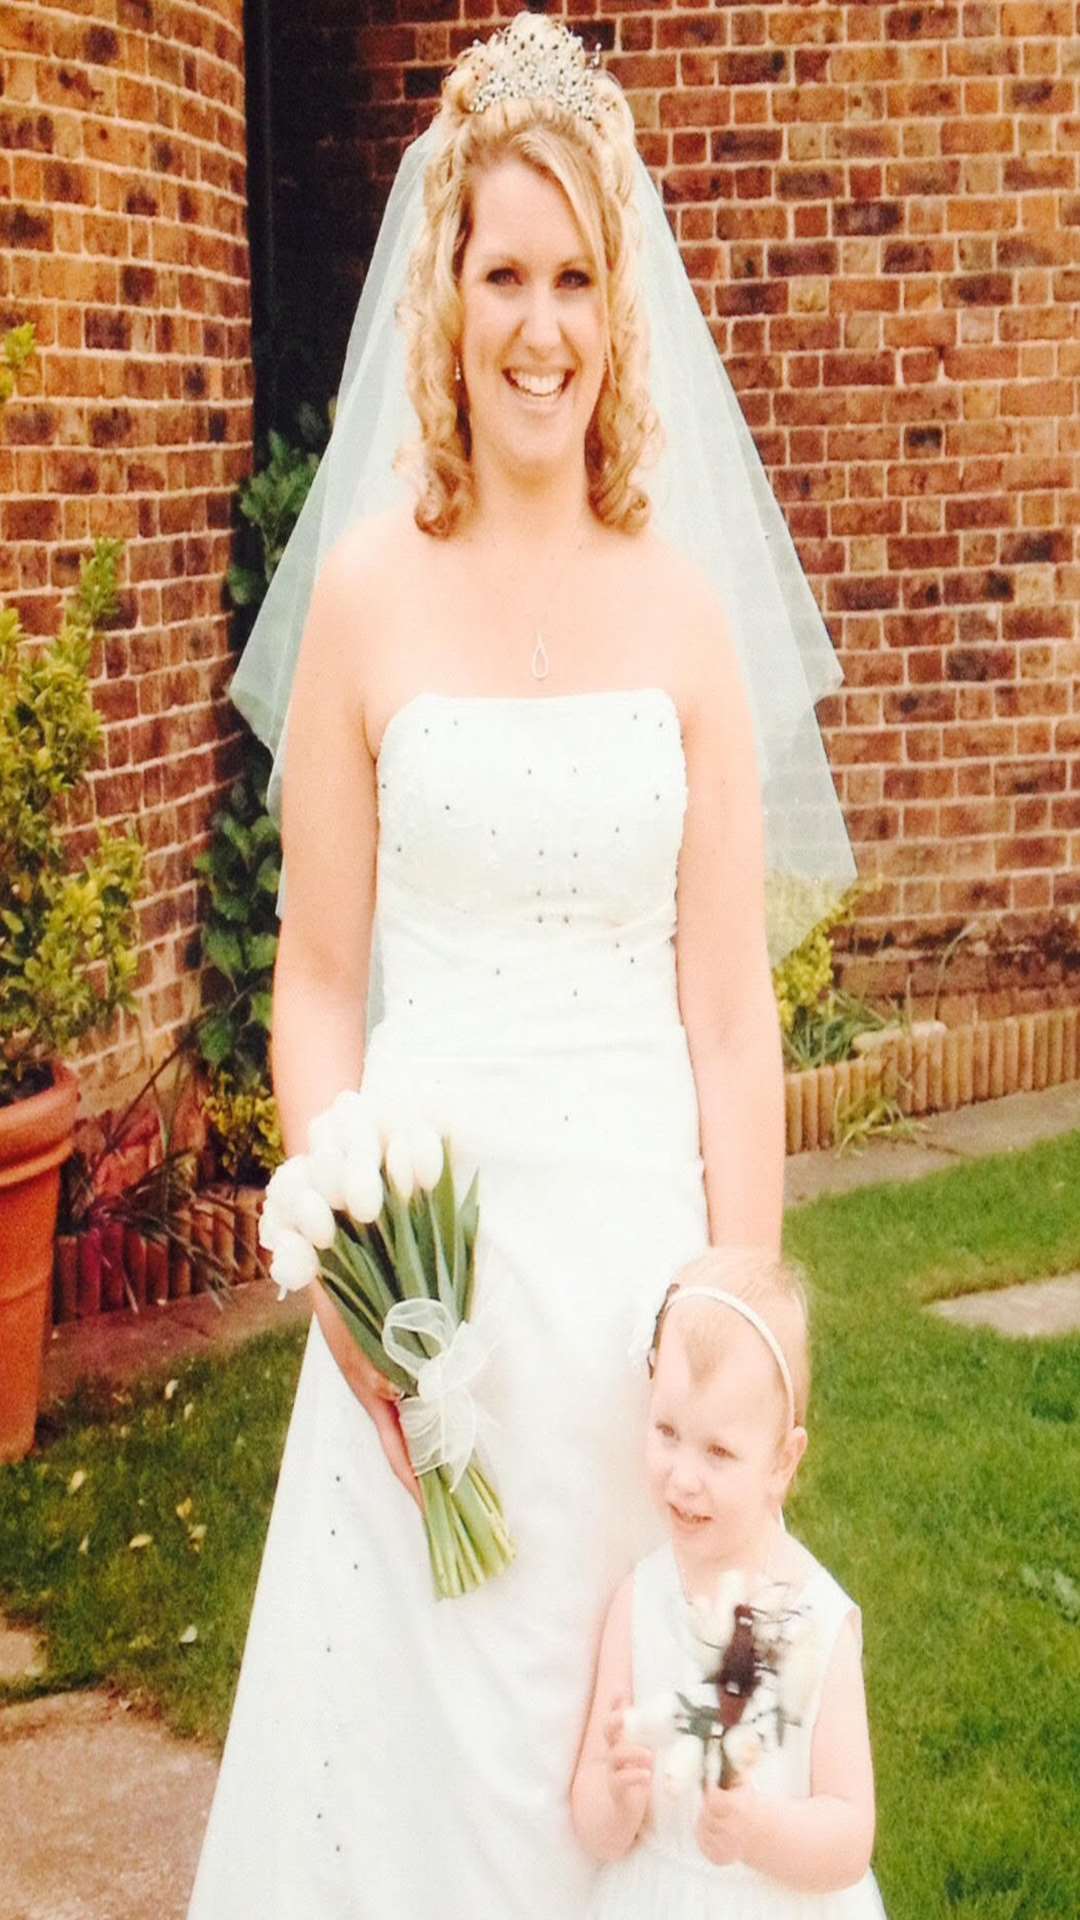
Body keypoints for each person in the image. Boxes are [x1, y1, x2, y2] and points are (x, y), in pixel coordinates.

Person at [187, 15, 855, 1917]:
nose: (538, 324)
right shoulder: (375, 598)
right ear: (448, 294)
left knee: (662, 1778)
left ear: (616, 306)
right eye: (503, 273)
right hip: (436, 1311)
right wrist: (349, 1266)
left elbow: (731, 1010)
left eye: (574, 276)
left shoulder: (685, 610)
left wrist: (743, 1317)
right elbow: (315, 983)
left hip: (636, 1312)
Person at [572, 1250, 886, 1919]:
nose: (684, 1477)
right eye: (667, 1433)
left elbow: (850, 1834)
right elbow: (593, 1819)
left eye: (718, 1452)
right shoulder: (639, 1600)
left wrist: (759, 1831)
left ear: (782, 1461)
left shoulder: (817, 1620)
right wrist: (617, 1798)